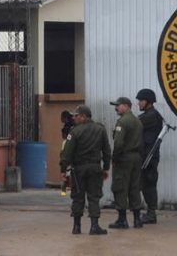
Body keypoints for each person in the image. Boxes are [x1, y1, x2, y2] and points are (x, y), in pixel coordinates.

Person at [60, 105, 110, 235]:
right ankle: (94, 226)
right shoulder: (101, 129)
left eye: (76, 116)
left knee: (78, 196)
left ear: (84, 116)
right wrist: (106, 168)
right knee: (94, 197)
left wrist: (63, 170)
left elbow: (67, 153)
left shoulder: (74, 132)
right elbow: (106, 150)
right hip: (95, 168)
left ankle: (76, 227)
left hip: (79, 169)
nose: (74, 118)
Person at [108, 96, 144, 229]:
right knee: (134, 187)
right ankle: (137, 219)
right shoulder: (137, 121)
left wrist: (115, 158)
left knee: (120, 187)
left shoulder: (122, 122)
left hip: (124, 158)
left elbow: (118, 143)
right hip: (136, 158)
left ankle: (122, 220)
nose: (116, 108)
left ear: (126, 106)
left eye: (118, 105)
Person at [136, 88, 164, 224]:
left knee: (149, 183)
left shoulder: (151, 116)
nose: (139, 104)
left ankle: (151, 214)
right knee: (146, 183)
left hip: (149, 155)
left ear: (147, 101)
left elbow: (135, 124)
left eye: (140, 101)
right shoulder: (149, 114)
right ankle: (150, 212)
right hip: (146, 154)